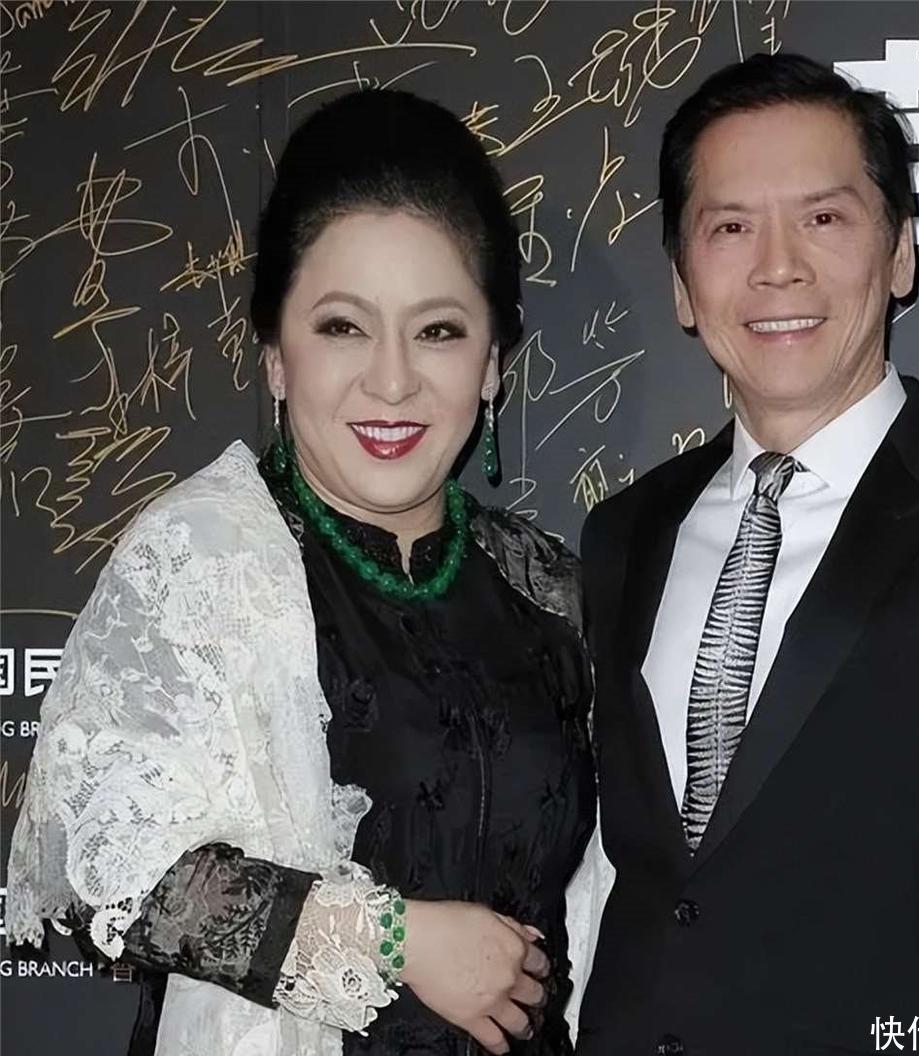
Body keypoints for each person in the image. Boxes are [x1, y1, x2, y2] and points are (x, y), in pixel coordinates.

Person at [575, 54, 919, 1056]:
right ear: (681, 282)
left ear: (901, 254)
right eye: (730, 227)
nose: (778, 266)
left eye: (825, 218)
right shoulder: (624, 532)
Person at [6, 89, 597, 1056]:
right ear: (276, 355)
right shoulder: (203, 559)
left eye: (439, 331)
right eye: (342, 327)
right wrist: (394, 940)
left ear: (493, 364)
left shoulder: (548, 588)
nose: (393, 380)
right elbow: (97, 869)